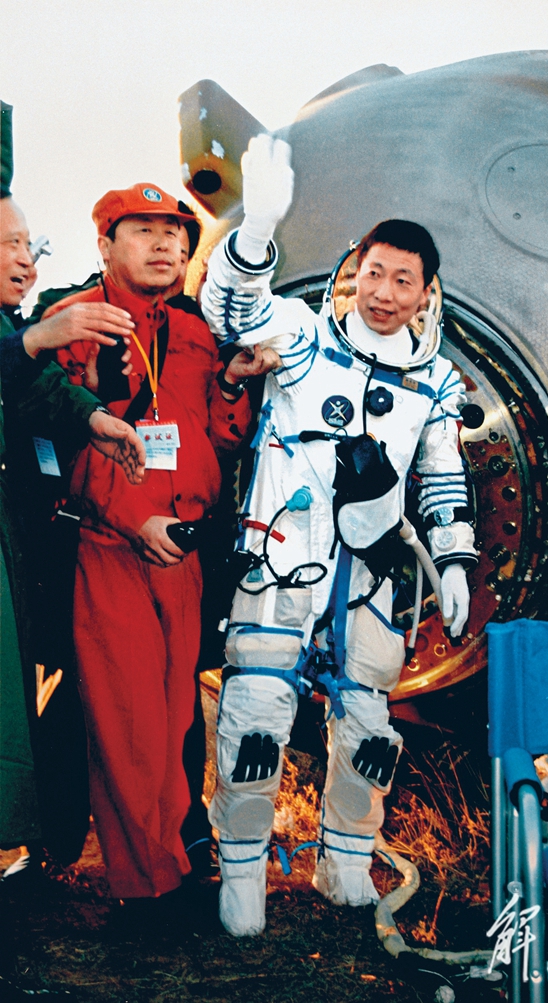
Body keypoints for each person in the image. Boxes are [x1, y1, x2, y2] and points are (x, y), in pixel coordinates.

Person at [200, 135, 477, 936]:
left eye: (403, 280)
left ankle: (346, 862)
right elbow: (231, 314)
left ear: (425, 293)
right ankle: (242, 872)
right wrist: (257, 229)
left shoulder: (436, 380)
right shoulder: (301, 336)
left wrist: (453, 559)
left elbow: (443, 471)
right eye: (374, 273)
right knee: (255, 714)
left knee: (369, 728)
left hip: (372, 565)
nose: (384, 293)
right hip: (287, 554)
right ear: (354, 272)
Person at [47, 182, 270, 907]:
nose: (165, 243)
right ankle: (149, 887)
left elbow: (221, 438)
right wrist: (133, 519)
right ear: (105, 244)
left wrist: (231, 385)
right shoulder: (73, 324)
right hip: (113, 548)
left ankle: (173, 858)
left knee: (175, 718)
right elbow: (64, 449)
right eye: (142, 230)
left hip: (183, 550)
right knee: (129, 722)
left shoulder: (195, 332)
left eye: (175, 232)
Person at [0, 193, 145, 858]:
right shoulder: (24, 335)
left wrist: (97, 417)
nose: (25, 261)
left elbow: (39, 390)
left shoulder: (13, 332)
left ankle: (46, 841)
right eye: (10, 244)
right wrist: (37, 339)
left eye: (27, 245)